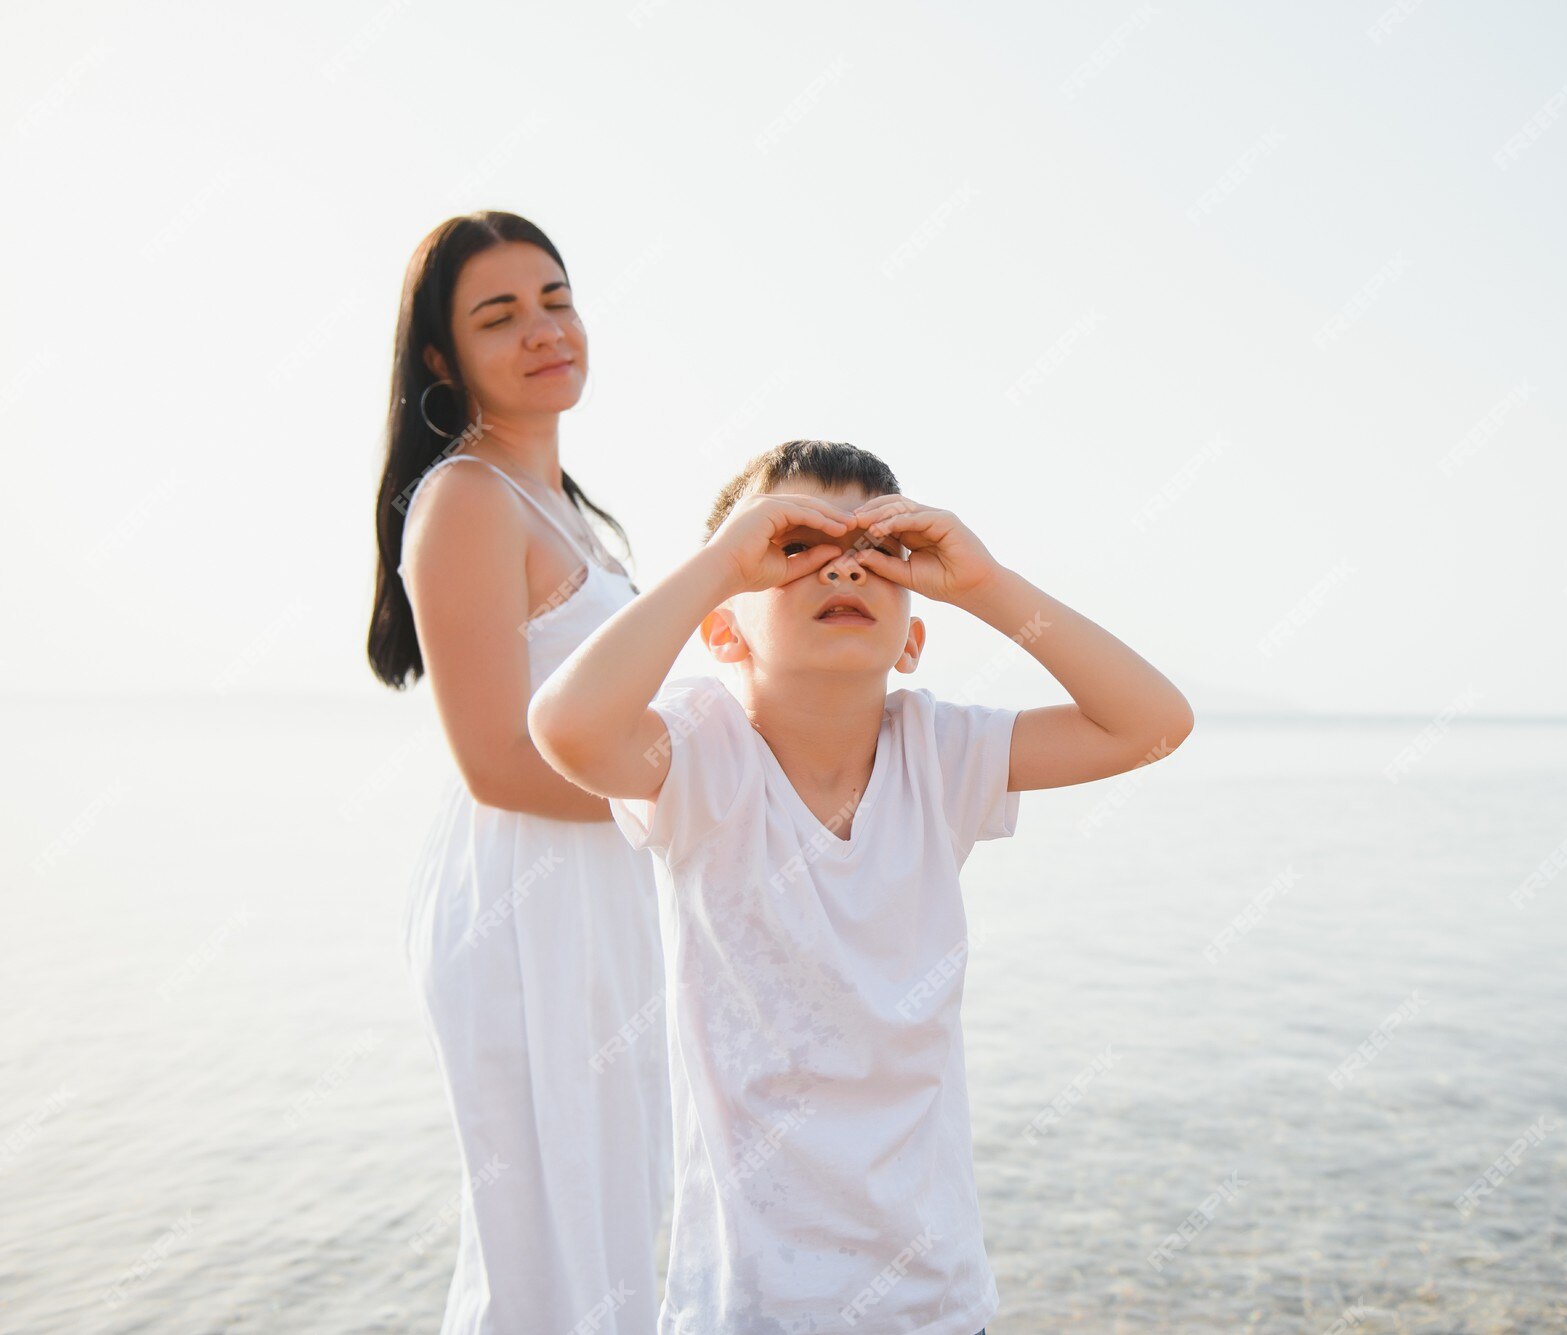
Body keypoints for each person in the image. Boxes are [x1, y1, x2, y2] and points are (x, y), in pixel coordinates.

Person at [527, 439, 1194, 1333]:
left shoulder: (942, 754)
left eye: (881, 555)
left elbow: (1153, 722)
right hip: (752, 1306)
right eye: (794, 545)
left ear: (913, 638)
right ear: (724, 627)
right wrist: (724, 561)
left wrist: (985, 581)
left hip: (935, 1300)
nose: (843, 563)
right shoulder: (701, 755)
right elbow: (566, 726)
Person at [366, 211, 669, 1334]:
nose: (544, 329)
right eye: (500, 315)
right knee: (540, 1239)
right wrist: (696, 797)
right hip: (522, 893)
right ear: (442, 358)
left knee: (607, 1210)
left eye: (556, 298)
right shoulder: (463, 500)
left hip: (596, 880)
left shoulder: (574, 513)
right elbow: (496, 761)